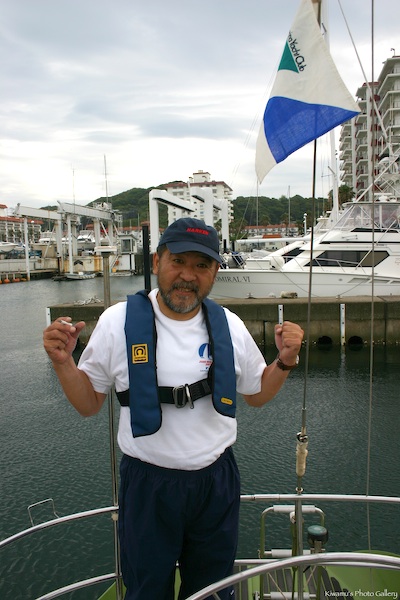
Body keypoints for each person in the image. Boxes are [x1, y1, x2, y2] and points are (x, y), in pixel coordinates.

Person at [43, 217, 304, 600]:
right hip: (147, 485)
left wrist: (284, 360)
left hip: (216, 482)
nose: (187, 275)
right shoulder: (117, 323)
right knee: (147, 589)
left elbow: (257, 393)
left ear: (215, 272)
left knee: (213, 589)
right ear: (156, 262)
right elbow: (88, 403)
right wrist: (64, 362)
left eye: (201, 265)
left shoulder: (229, 326)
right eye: (178, 261)